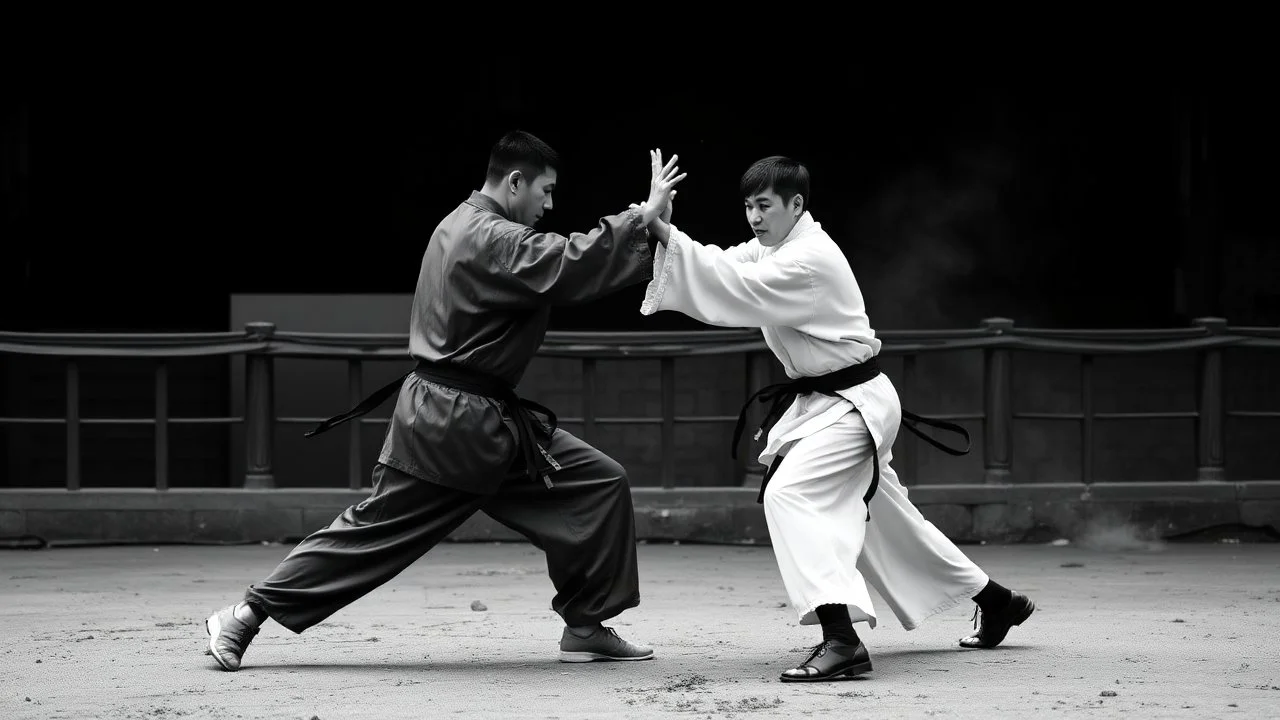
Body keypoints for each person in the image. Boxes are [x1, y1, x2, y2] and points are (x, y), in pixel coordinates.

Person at [203, 130, 687, 671]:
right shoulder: (491, 235)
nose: (549, 206)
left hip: (485, 422)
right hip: (451, 426)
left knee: (597, 482)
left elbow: (554, 261)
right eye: (545, 192)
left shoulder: (458, 223)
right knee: (375, 532)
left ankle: (585, 624)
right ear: (515, 181)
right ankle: (244, 614)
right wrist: (641, 218)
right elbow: (566, 264)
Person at [636, 152, 1035, 682]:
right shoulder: (777, 247)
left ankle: (842, 640)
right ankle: (999, 601)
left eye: (764, 206)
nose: (754, 217)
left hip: (851, 406)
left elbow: (734, 286)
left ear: (795, 204)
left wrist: (660, 226)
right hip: (836, 402)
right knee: (887, 520)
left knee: (791, 494)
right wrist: (662, 228)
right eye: (748, 207)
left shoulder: (807, 259)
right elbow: (727, 265)